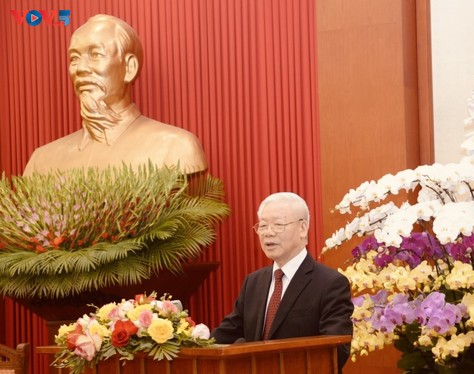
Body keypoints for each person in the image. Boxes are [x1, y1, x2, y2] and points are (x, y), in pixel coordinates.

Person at [23, 14, 207, 176]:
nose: (80, 69)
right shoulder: (42, 161)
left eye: (95, 54)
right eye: (74, 58)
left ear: (129, 68)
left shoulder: (176, 149)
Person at [211, 192, 354, 372]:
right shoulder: (253, 282)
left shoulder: (331, 284)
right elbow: (228, 333)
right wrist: (188, 340)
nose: (268, 233)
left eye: (278, 225)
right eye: (262, 226)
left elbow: (336, 351)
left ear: (302, 228)